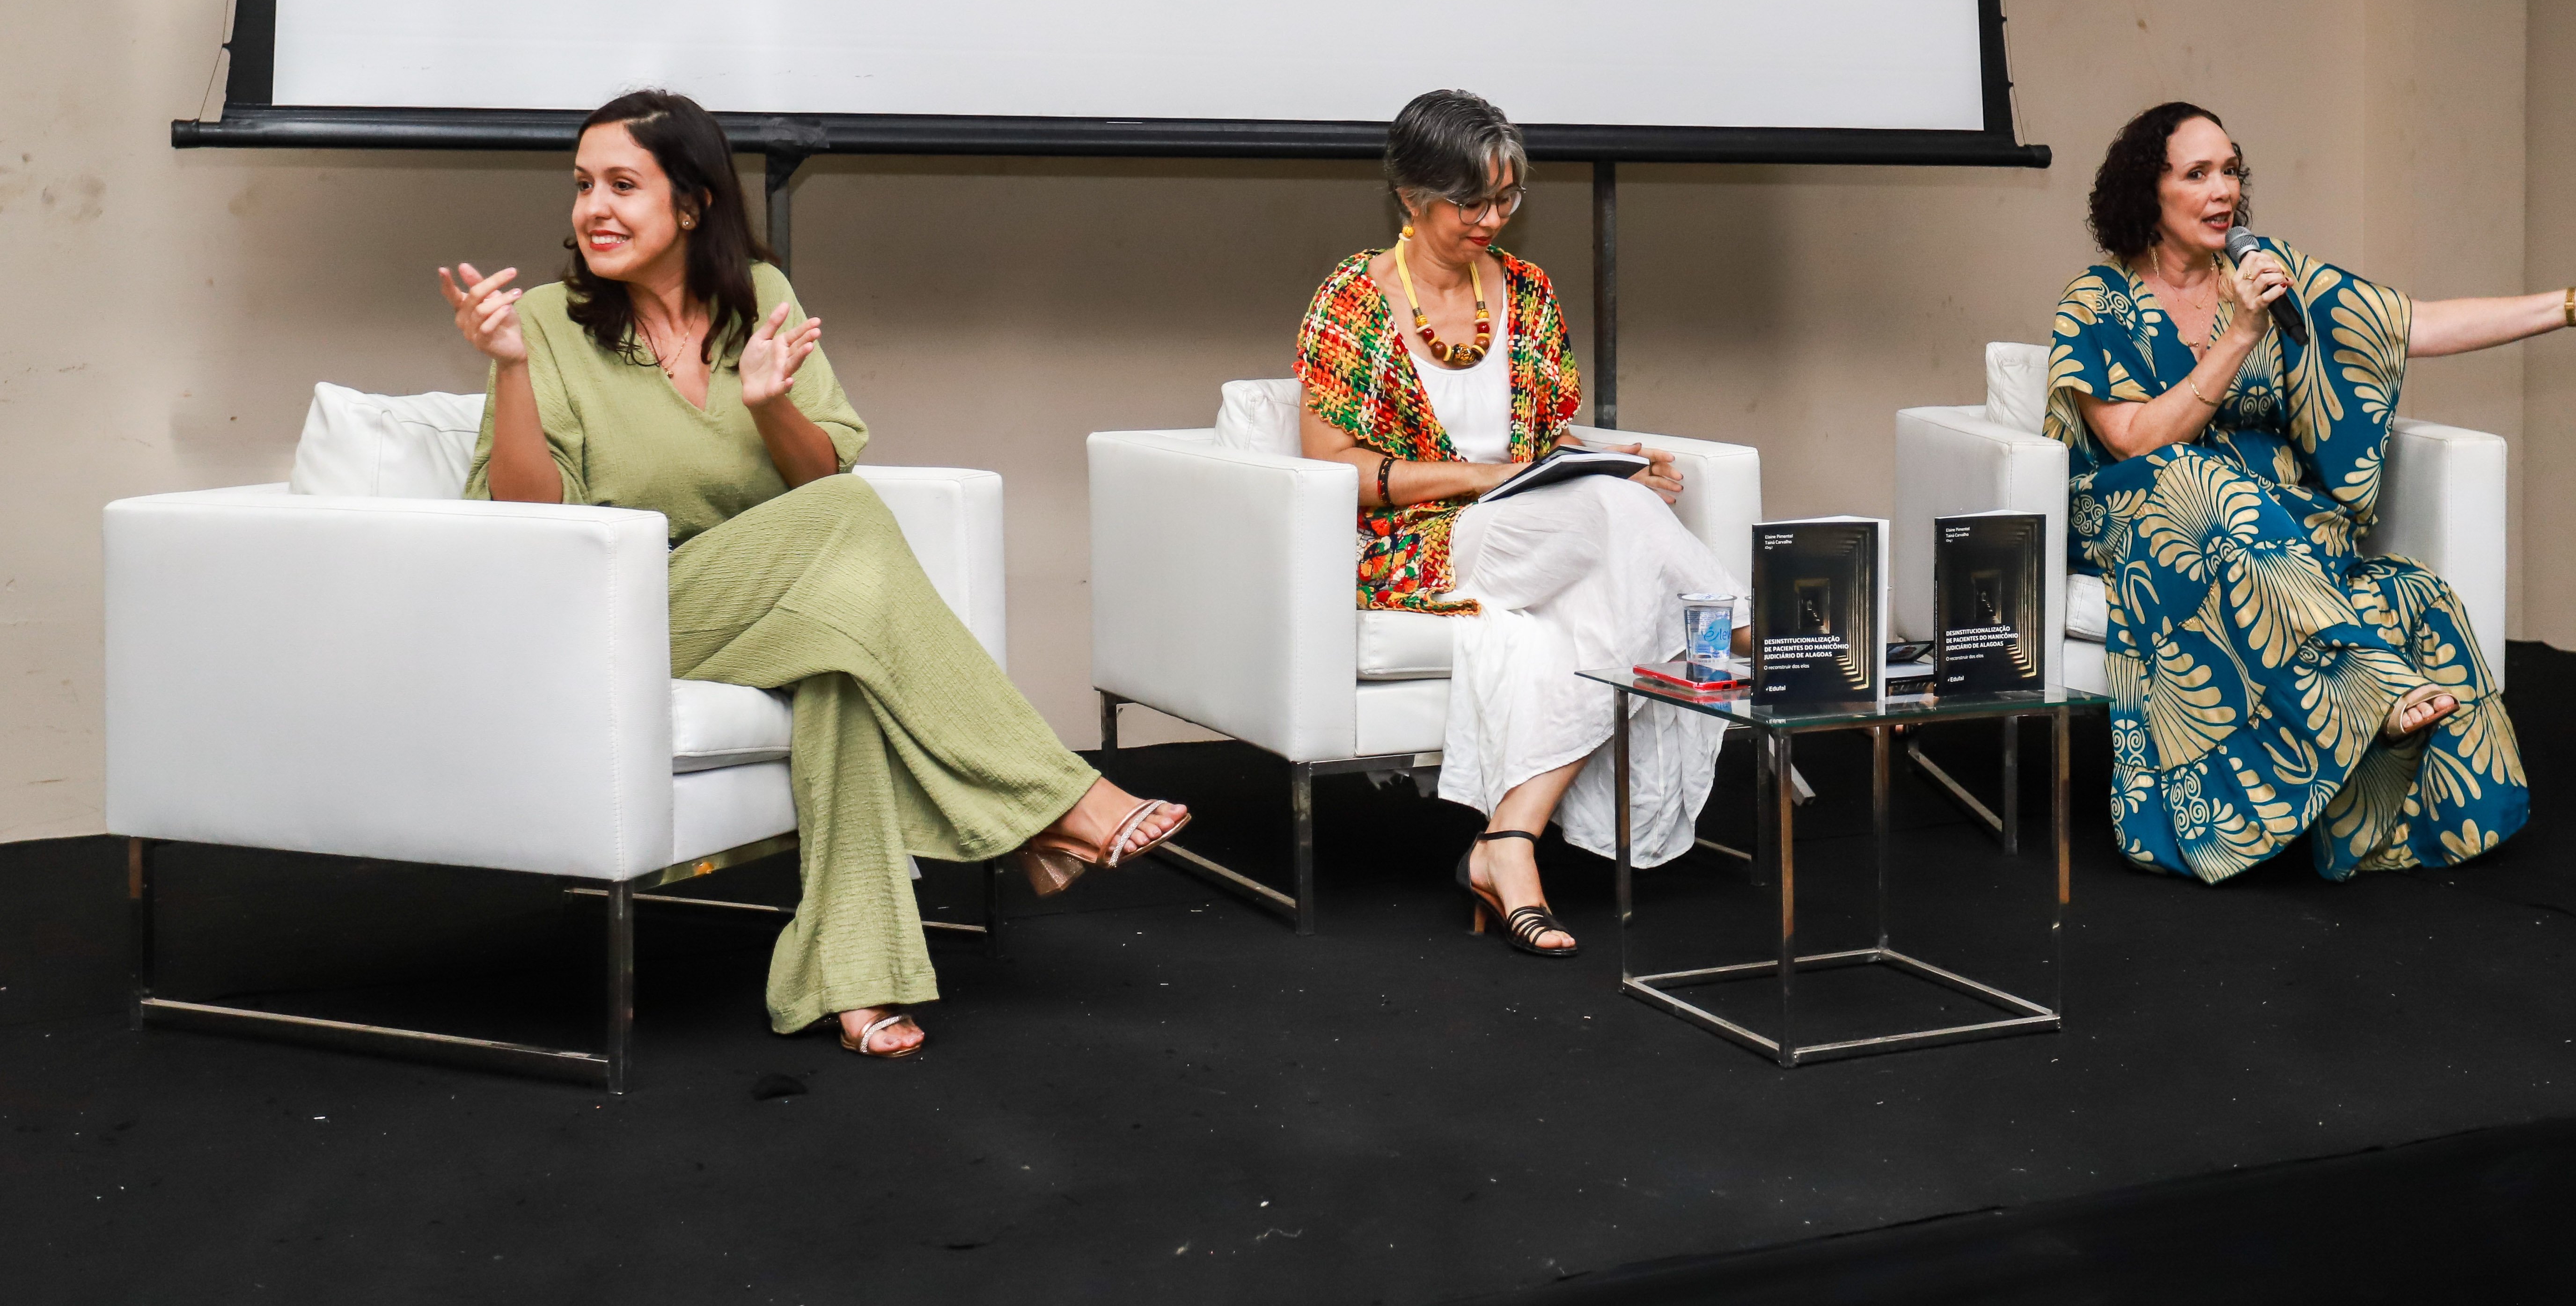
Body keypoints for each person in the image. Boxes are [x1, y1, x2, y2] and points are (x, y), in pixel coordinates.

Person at [441, 90, 1188, 1057]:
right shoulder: (546, 321)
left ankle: (851, 981)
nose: (594, 209)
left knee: (841, 671)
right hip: (621, 610)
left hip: (765, 610)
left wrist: (768, 404)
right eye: (584, 186)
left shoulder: (760, 295)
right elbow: (530, 522)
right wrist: (508, 368)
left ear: (695, 203)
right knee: (850, 519)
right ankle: (1053, 803)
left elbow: (817, 473)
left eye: (623, 185)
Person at [2047, 101, 2576, 882]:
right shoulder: (2096, 300)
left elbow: (2412, 324)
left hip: (2271, 526)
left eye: (2231, 170)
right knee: (2198, 479)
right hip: (2144, 510)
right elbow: (2136, 439)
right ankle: (2367, 686)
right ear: (2146, 191)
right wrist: (2242, 337)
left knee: (2411, 593)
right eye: (2197, 174)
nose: (2223, 190)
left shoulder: (2268, 273)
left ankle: (2394, 809)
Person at [1296, 90, 1745, 956]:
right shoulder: (1353, 301)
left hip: (1527, 522)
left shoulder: (1527, 291)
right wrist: (1481, 476)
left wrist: (1617, 466)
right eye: (1471, 203)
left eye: (1507, 200)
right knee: (1620, 535)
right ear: (1411, 196)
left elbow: (1545, 441)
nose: (1492, 221)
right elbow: (1333, 469)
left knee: (1616, 561)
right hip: (1418, 544)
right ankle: (1743, 624)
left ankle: (1507, 841)